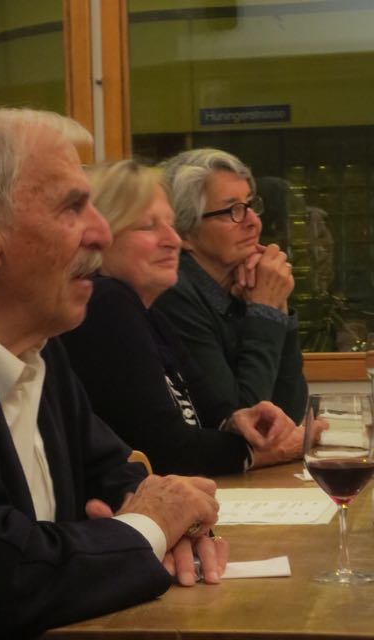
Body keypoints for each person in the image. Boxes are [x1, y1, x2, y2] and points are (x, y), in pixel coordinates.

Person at [0, 108, 226, 640]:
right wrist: (148, 529)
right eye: (73, 207)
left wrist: (167, 524)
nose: (101, 232)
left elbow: (117, 475)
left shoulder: (37, 351)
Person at [62, 159, 307, 477]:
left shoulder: (147, 312)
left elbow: (225, 413)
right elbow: (171, 450)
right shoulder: (107, 302)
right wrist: (261, 449)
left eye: (170, 223)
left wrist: (237, 423)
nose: (172, 240)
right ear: (97, 236)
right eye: (148, 226)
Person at [155, 149, 308, 424]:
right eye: (232, 211)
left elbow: (290, 414)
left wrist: (277, 304)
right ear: (184, 231)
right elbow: (245, 422)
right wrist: (265, 310)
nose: (254, 222)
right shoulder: (172, 293)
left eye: (250, 204)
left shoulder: (242, 287)